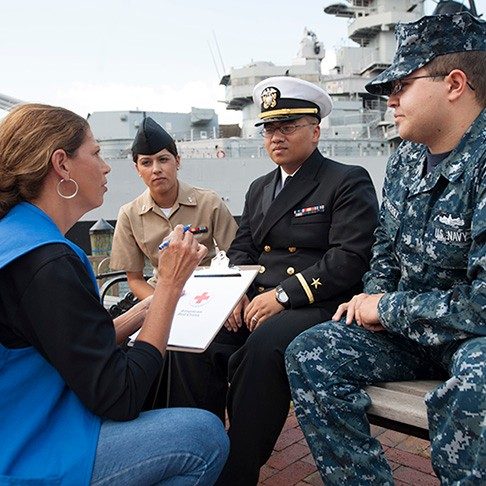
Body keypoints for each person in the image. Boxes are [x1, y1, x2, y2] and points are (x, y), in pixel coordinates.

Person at [286, 11, 486, 485]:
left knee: (479, 384)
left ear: (454, 83)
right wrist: (369, 299)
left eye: (403, 85)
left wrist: (387, 307)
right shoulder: (407, 157)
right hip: (409, 332)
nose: (390, 100)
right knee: (309, 353)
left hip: (473, 338)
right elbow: (384, 249)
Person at [0, 103, 229, 485]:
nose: (106, 167)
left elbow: (76, 342)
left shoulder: (18, 241)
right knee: (204, 437)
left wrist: (152, 305)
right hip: (33, 450)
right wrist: (170, 285)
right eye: (95, 153)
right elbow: (120, 394)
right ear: (62, 164)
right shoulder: (48, 263)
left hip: (19, 419)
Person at [167, 76, 379, 485]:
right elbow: (242, 248)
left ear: (315, 131)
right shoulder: (259, 187)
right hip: (257, 301)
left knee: (263, 350)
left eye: (287, 127)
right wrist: (234, 297)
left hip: (317, 302)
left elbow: (349, 258)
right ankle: (197, 448)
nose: (275, 138)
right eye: (269, 129)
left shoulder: (345, 180)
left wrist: (282, 296)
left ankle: (236, 471)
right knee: (193, 342)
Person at [110, 116, 238, 300]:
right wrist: (162, 307)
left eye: (163, 159)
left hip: (209, 291)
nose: (156, 169)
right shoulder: (130, 215)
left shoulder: (209, 203)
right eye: (146, 163)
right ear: (137, 169)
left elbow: (235, 258)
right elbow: (135, 279)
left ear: (177, 161)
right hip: (158, 294)